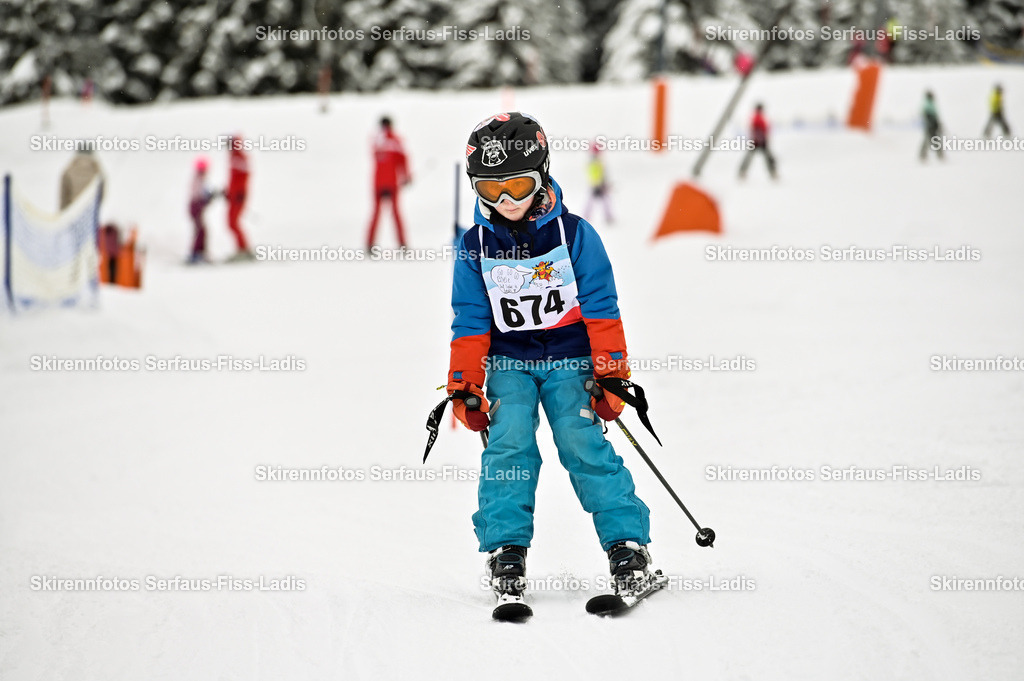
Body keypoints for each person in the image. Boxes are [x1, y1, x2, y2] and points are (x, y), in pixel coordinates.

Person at [447, 112, 656, 610]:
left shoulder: (574, 234)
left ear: (541, 178)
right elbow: (470, 320)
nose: (506, 202)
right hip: (507, 361)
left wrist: (611, 376)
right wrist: (464, 384)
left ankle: (628, 547)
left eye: (518, 186)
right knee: (509, 447)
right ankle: (506, 551)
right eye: (491, 190)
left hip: (570, 357)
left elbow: (603, 308)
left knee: (582, 443)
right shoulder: (474, 247)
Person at [366, 116, 411, 249]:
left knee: (376, 213)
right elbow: (403, 159)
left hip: (377, 183)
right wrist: (406, 176)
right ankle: (402, 243)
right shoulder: (395, 140)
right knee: (396, 213)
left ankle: (370, 243)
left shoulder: (376, 140)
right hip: (392, 183)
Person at [224, 135, 254, 261]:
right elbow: (233, 179)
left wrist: (239, 193)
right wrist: (228, 192)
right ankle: (242, 248)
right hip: (234, 196)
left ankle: (244, 249)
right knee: (231, 223)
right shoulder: (234, 158)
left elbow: (244, 177)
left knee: (233, 223)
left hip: (238, 196)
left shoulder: (239, 158)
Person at [187, 156, 218, 264]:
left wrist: (211, 196)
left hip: (196, 208)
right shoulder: (198, 179)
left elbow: (205, 194)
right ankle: (195, 254)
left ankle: (200, 252)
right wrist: (209, 198)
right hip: (195, 208)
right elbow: (199, 195)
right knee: (200, 231)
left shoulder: (200, 179)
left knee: (202, 230)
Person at [739, 103, 777, 180]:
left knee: (765, 157)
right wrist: (760, 138)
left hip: (758, 140)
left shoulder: (758, 117)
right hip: (758, 140)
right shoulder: (757, 118)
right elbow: (756, 129)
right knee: (767, 157)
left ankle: (743, 171)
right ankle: (773, 172)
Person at [583, 144, 613, 224]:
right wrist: (597, 184)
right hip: (596, 185)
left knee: (603, 200)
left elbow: (602, 174)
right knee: (594, 201)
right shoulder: (594, 162)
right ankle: (586, 215)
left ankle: (607, 216)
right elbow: (594, 175)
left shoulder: (596, 161)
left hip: (599, 184)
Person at [921, 90, 944, 162]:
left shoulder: (930, 104)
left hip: (933, 125)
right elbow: (928, 116)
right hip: (930, 126)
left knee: (929, 140)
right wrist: (932, 124)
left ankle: (923, 154)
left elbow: (935, 116)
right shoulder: (928, 105)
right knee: (933, 140)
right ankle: (939, 154)